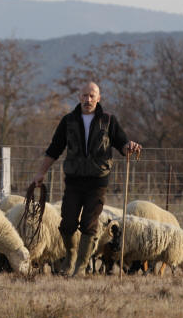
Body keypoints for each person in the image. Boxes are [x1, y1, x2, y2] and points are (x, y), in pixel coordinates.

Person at [32, 82, 141, 277]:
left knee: (89, 224)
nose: (88, 99)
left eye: (92, 96)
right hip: (74, 180)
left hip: (97, 181)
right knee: (67, 224)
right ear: (79, 97)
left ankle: (81, 266)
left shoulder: (108, 121)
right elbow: (54, 149)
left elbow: (122, 144)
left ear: (99, 98)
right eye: (84, 95)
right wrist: (41, 172)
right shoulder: (68, 121)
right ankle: (71, 256)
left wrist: (129, 146)